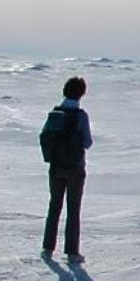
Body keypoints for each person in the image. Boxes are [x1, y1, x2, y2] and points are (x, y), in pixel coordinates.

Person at [39, 75, 92, 260]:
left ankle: (48, 248)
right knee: (73, 209)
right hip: (76, 168)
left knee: (54, 206)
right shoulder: (81, 116)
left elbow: (44, 136)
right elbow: (87, 142)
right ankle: (72, 251)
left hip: (56, 167)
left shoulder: (55, 114)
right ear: (81, 94)